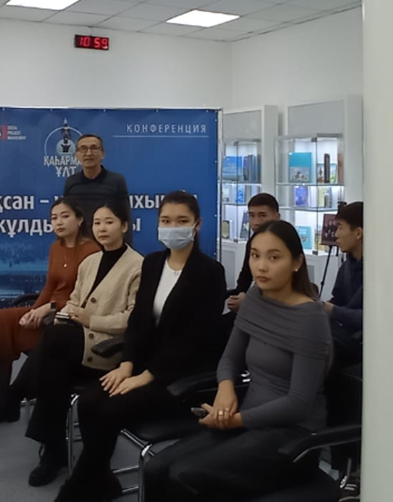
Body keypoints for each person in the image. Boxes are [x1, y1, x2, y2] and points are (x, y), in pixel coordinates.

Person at [143, 220, 333, 501]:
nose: (261, 266)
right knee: (156, 468)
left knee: (185, 476)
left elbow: (299, 402)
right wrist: (225, 389)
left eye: (274, 257)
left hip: (292, 437)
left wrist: (236, 420)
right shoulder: (255, 297)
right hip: (248, 423)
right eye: (255, 255)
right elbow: (230, 358)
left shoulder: (310, 318)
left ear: (296, 263)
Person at [55, 191, 227, 502]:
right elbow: (138, 322)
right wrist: (127, 365)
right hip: (144, 364)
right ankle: (101, 480)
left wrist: (146, 376)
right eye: (166, 221)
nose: (173, 227)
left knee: (109, 409)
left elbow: (195, 340)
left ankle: (76, 489)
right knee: (89, 401)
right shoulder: (153, 263)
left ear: (197, 225)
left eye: (181, 221)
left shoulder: (210, 273)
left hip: (180, 377)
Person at [0, 198, 100, 424]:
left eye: (65, 216)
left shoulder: (92, 250)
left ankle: (1, 403)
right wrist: (32, 312)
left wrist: (47, 308)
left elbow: (85, 297)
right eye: (54, 218)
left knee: (4, 330)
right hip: (47, 311)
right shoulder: (56, 248)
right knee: (0, 321)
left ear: (80, 219)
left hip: (68, 318)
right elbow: (49, 287)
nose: (59, 222)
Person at [24, 202, 143, 488]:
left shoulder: (138, 265)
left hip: (109, 347)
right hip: (77, 341)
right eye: (97, 223)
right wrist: (66, 316)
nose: (102, 228)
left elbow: (132, 319)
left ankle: (19, 401)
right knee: (55, 367)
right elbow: (74, 302)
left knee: (53, 339)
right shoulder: (89, 262)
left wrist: (90, 319)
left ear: (124, 226)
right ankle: (54, 450)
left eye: (109, 222)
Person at [63, 134, 132, 244]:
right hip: (80, 244)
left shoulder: (116, 181)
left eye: (94, 148)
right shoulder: (71, 182)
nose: (88, 153)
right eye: (83, 149)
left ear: (102, 154)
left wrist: (125, 247)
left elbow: (125, 217)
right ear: (77, 155)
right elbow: (66, 216)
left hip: (108, 243)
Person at [226, 193, 281, 315]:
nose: (256, 222)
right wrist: (239, 294)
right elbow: (246, 273)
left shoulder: (284, 242)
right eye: (251, 216)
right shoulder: (253, 241)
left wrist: (249, 301)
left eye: (262, 215)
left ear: (276, 217)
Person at [325, 201, 364, 368]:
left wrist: (332, 310)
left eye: (340, 227)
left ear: (358, 233)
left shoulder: (379, 273)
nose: (336, 235)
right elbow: (338, 300)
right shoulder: (346, 267)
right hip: (345, 333)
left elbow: (372, 319)